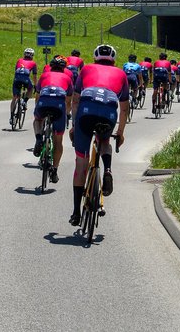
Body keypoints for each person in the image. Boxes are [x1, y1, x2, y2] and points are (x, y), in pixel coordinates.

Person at [68, 43, 130, 226]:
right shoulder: (121, 74)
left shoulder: (86, 69)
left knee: (81, 164)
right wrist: (120, 133)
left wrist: (74, 126)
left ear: (95, 58)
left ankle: (76, 213)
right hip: (109, 111)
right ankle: (108, 169)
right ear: (114, 59)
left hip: (86, 111)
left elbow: (75, 100)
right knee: (104, 141)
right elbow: (125, 108)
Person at [33, 55, 75, 183]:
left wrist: (38, 110)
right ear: (64, 68)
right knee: (58, 141)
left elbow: (37, 95)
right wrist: (67, 114)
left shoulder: (44, 75)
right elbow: (68, 101)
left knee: (38, 120)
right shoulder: (68, 78)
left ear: (51, 66)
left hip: (44, 102)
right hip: (59, 106)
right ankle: (55, 170)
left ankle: (39, 138)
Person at [11, 48, 38, 127]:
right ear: (32, 55)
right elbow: (35, 76)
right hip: (26, 79)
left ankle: (11, 117)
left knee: (14, 98)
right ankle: (25, 101)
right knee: (30, 89)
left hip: (17, 79)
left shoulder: (19, 60)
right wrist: (35, 85)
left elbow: (16, 71)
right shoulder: (33, 63)